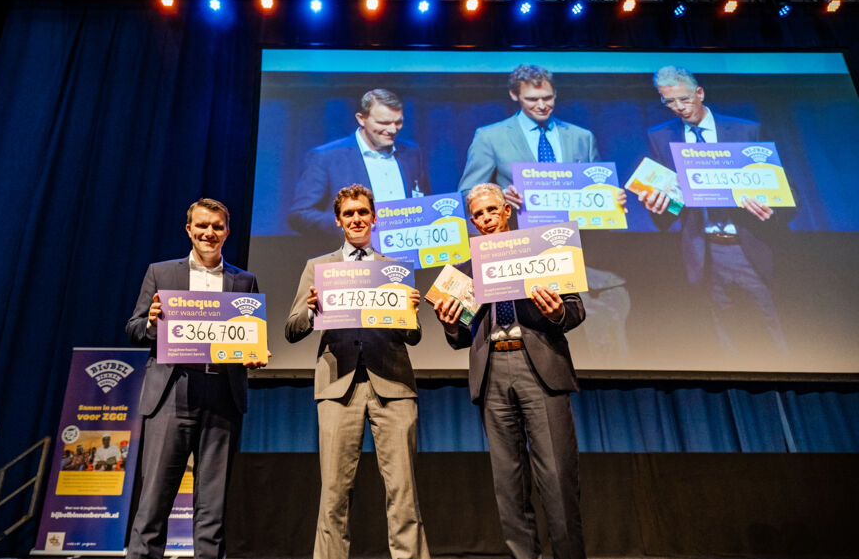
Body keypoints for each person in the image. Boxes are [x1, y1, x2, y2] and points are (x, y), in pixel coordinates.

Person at [432, 183, 610, 559]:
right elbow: (459, 336)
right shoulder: (464, 270)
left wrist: (557, 311)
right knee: (511, 494)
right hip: (492, 374)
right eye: (478, 214)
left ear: (507, 211)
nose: (486, 218)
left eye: (492, 210)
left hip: (539, 372)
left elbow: (575, 311)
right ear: (472, 221)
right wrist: (451, 322)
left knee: (559, 490)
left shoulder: (543, 253)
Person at [119, 198, 268, 559]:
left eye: (217, 226)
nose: (209, 233)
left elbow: (247, 336)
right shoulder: (161, 273)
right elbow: (133, 329)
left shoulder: (243, 281)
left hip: (222, 395)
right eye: (201, 225)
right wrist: (151, 323)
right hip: (172, 394)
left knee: (212, 506)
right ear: (188, 229)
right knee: (153, 505)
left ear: (227, 231)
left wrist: (253, 353)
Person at [285, 183, 433, 559]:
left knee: (403, 492)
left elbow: (413, 336)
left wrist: (410, 311)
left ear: (374, 218)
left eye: (362, 213)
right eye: (348, 214)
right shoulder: (318, 268)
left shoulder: (394, 268)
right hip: (338, 387)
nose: (356, 220)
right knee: (333, 493)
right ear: (338, 220)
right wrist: (311, 308)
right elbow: (292, 328)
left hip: (393, 386)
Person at [457, 64, 629, 361]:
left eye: (547, 98)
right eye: (532, 99)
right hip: (521, 257)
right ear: (515, 96)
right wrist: (500, 196)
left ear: (555, 94)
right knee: (537, 341)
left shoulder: (581, 137)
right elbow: (466, 195)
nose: (541, 105)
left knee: (590, 340)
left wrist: (611, 200)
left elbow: (596, 190)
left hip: (574, 252)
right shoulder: (490, 136)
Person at [639, 65, 789, 354]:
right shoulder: (661, 137)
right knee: (722, 339)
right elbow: (670, 207)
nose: (678, 107)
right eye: (669, 102)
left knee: (773, 329)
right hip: (704, 250)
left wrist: (771, 206)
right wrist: (657, 204)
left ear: (700, 93)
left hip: (749, 245)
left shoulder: (746, 130)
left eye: (684, 99)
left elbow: (787, 191)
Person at [288, 89, 432, 236]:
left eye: (398, 122)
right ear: (361, 119)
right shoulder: (326, 157)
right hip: (352, 249)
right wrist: (349, 225)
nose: (392, 129)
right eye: (384, 122)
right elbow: (300, 215)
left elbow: (424, 203)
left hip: (407, 248)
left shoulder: (411, 153)